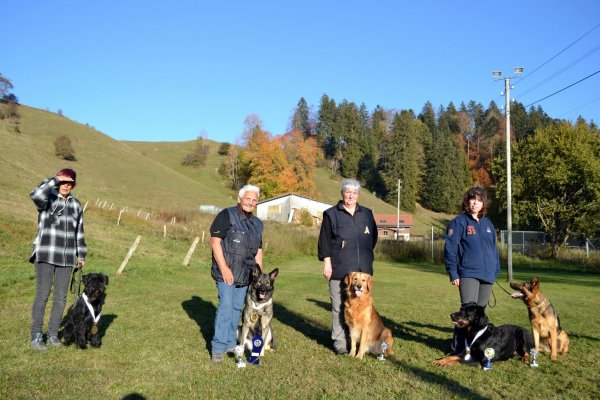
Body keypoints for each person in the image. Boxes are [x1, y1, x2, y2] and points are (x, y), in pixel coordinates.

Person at [317, 178, 378, 355]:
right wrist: (327, 263)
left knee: (362, 311)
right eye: (348, 192)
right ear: (342, 193)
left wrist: (363, 256)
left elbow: (372, 238)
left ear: (358, 195)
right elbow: (324, 242)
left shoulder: (367, 214)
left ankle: (359, 343)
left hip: (362, 272)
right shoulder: (331, 214)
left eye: (354, 192)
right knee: (338, 308)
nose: (351, 195)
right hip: (340, 270)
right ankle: (340, 344)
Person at [29, 168, 87, 350]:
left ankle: (53, 335)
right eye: (63, 181)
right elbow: (35, 194)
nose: (66, 185)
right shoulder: (47, 199)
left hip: (67, 258)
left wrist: (81, 254)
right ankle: (36, 336)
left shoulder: (76, 205)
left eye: (70, 182)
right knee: (42, 295)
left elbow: (79, 231)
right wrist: (54, 179)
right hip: (46, 253)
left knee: (60, 298)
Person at [209, 184, 263, 363]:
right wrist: (224, 268)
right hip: (226, 274)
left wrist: (259, 277)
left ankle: (230, 343)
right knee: (225, 307)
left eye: (254, 200)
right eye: (248, 199)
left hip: (245, 276)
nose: (251, 202)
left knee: (236, 309)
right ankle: (218, 347)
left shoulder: (257, 224)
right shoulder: (227, 215)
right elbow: (215, 242)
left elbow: (259, 251)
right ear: (239, 199)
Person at [444, 186, 500, 355]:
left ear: (484, 203)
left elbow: (494, 250)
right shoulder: (459, 222)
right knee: (465, 314)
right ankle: (458, 349)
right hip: (467, 273)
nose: (475, 203)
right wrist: (453, 273)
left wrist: (495, 270)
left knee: (479, 316)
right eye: (472, 199)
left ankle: (475, 348)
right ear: (467, 201)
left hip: (487, 275)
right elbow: (450, 250)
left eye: (479, 200)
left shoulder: (488, 224)